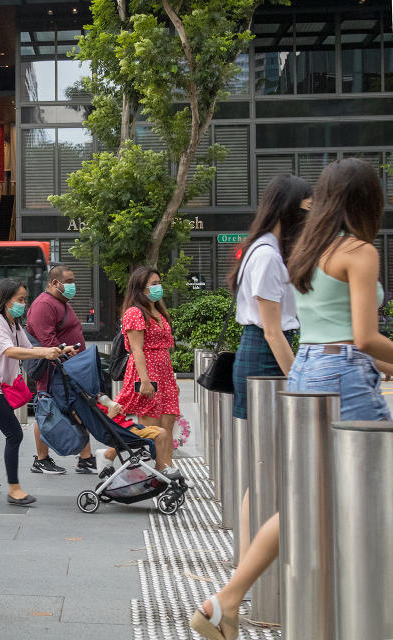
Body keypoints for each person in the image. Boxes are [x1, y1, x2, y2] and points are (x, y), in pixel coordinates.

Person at [191, 158, 393, 638]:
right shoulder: (360, 251)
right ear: (368, 200)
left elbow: (332, 331)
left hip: (309, 368)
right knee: (370, 486)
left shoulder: (306, 250)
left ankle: (226, 601)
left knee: (308, 497)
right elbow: (363, 337)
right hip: (342, 371)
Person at [227, 174, 308, 560]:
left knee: (266, 465)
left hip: (264, 352)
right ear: (290, 209)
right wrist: (301, 383)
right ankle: (248, 560)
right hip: (265, 355)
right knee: (265, 467)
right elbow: (274, 332)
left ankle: (250, 559)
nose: (312, 217)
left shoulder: (267, 250)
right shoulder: (267, 254)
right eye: (307, 209)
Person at [0, 277, 69, 506]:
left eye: (25, 299)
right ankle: (14, 489)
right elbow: (10, 351)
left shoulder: (14, 324)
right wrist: (44, 354)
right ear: (6, 300)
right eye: (20, 299)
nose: (23, 304)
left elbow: (29, 348)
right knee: (14, 434)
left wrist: (56, 351)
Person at [112, 267, 179, 473]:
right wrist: (146, 380)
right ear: (141, 288)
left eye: (159, 282)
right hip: (147, 372)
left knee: (167, 426)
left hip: (165, 373)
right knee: (153, 430)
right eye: (154, 284)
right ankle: (108, 455)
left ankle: (166, 469)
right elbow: (137, 349)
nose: (159, 287)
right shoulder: (135, 312)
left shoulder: (157, 311)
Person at [27, 264, 91, 474]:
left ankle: (86, 458)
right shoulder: (44, 305)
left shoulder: (61, 302)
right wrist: (67, 355)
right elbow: (48, 342)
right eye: (69, 281)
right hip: (53, 371)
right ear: (55, 282)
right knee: (47, 412)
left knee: (78, 409)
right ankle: (42, 459)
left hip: (68, 369)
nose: (73, 286)